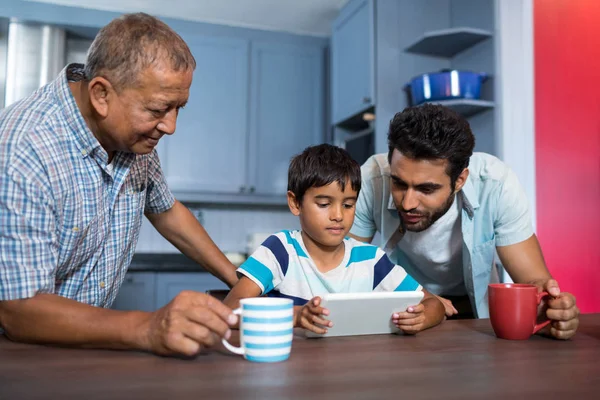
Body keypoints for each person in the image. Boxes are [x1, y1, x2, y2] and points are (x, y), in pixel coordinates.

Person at [0, 13, 239, 356]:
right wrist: (148, 327)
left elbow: (166, 211)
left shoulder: (132, 139)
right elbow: (18, 311)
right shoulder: (24, 151)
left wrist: (240, 280)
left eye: (178, 108)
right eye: (159, 109)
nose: (169, 126)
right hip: (19, 357)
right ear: (101, 94)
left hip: (86, 349)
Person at [349, 104, 579, 339]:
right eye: (398, 183)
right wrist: (423, 297)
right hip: (407, 308)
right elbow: (342, 269)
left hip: (474, 310)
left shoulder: (496, 184)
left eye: (426, 189)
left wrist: (550, 309)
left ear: (460, 180)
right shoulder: (371, 180)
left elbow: (533, 279)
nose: (407, 203)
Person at [224, 144, 445, 335]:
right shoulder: (280, 250)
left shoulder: (371, 259)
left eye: (348, 205)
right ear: (295, 203)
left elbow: (433, 304)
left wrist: (421, 318)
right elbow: (232, 308)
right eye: (324, 204)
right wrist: (297, 315)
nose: (338, 215)